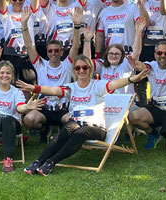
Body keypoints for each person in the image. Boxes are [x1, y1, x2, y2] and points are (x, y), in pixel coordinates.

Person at [17, 55, 148, 176]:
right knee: (68, 128)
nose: (81, 70)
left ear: (90, 69)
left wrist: (132, 79)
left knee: (81, 130)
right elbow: (53, 90)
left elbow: (114, 84)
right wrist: (34, 88)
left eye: (85, 67)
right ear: (74, 70)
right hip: (76, 123)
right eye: (78, 67)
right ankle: (38, 162)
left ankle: (51, 162)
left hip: (96, 128)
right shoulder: (71, 87)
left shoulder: (97, 85)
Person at [21, 7, 83, 142]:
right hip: (45, 108)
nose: (53, 53)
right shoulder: (40, 64)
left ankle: (61, 129)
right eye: (50, 51)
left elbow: (75, 47)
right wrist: (24, 25)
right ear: (47, 52)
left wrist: (77, 26)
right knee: (29, 120)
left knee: (75, 123)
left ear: (61, 52)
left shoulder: (67, 64)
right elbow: (29, 46)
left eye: (56, 50)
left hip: (63, 109)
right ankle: (44, 128)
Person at [129, 41, 166, 154]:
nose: (162, 56)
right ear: (155, 54)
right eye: (159, 53)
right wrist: (138, 66)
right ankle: (153, 133)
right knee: (132, 117)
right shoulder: (151, 66)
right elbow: (143, 66)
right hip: (155, 109)